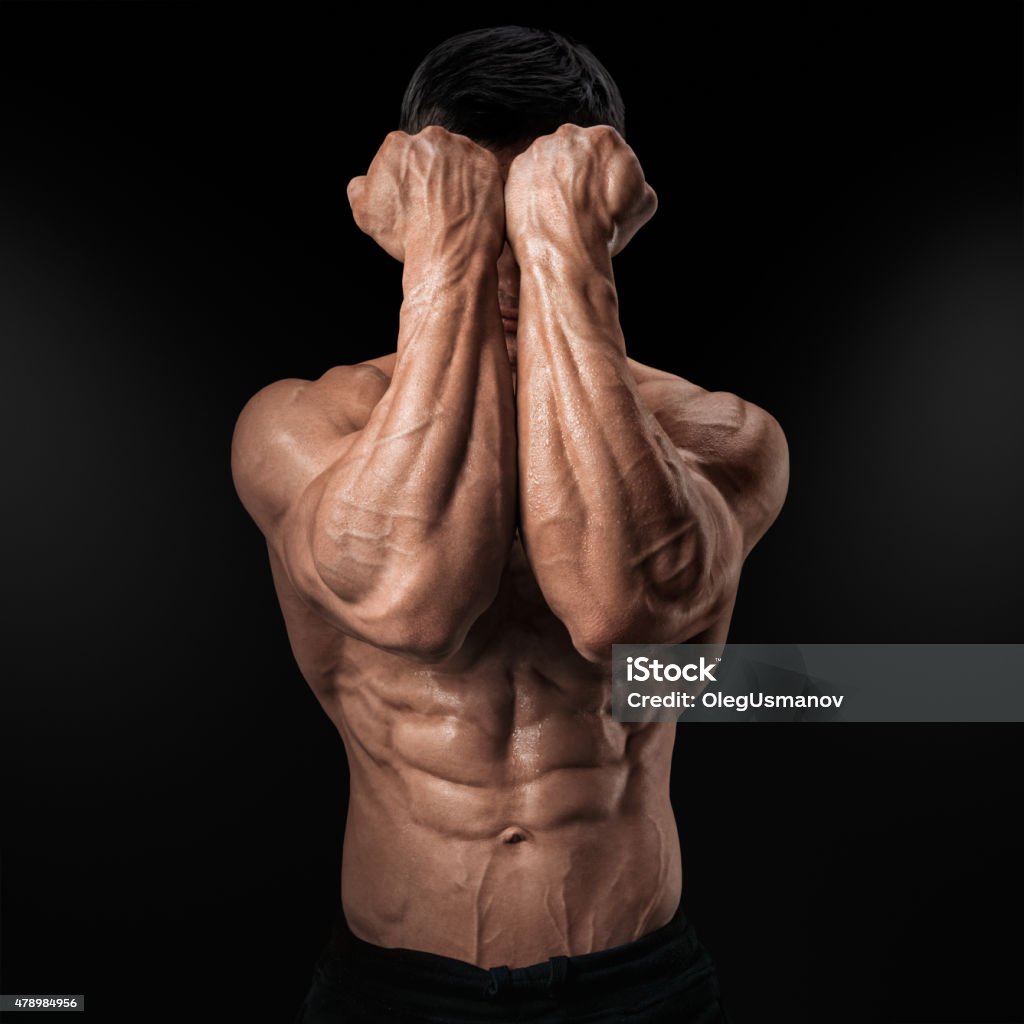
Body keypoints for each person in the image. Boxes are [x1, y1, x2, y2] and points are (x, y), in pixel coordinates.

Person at [231, 25, 788, 1023]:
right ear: (421, 206)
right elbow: (416, 597)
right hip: (394, 987)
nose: (504, 253)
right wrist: (448, 255)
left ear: (600, 213)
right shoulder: (305, 424)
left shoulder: (716, 435)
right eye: (472, 216)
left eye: (540, 212)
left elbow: (619, 616)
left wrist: (562, 259)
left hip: (641, 986)